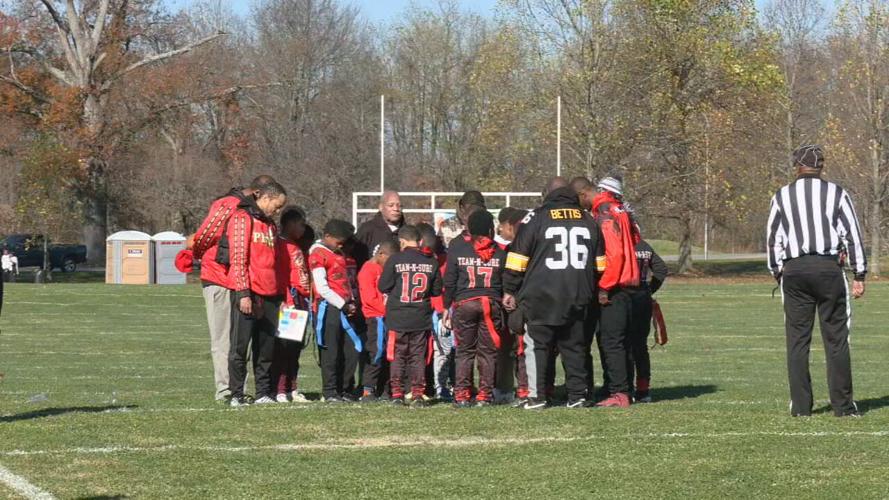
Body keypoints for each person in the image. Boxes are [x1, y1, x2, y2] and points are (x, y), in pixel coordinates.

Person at [767, 144, 867, 418]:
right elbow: (852, 235)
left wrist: (778, 272)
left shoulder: (782, 196)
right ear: (821, 166)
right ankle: (843, 407)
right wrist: (859, 274)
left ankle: (801, 407)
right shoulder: (837, 193)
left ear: (797, 166)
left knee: (797, 340)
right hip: (827, 268)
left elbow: (773, 239)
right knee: (836, 339)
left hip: (795, 270)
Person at [503, 179, 605, 409]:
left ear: (547, 194)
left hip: (541, 295)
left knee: (537, 347)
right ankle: (578, 396)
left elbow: (517, 259)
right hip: (578, 294)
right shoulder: (588, 219)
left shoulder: (535, 218)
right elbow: (600, 264)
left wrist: (510, 288)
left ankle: (537, 397)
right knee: (575, 346)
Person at [189, 174, 276, 402]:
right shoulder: (228, 204)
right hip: (219, 277)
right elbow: (204, 236)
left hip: (242, 280)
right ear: (258, 194)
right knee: (224, 337)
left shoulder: (259, 217)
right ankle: (227, 389)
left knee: (240, 338)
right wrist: (205, 257)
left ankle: (239, 388)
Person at [226, 181, 288, 407]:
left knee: (266, 348)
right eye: (277, 206)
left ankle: (263, 392)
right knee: (240, 347)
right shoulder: (242, 218)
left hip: (270, 293)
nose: (277, 211)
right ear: (265, 198)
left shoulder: (270, 224)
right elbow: (238, 257)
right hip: (249, 292)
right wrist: (243, 292)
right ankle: (236, 394)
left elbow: (276, 261)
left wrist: (281, 295)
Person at [443, 210, 507, 407]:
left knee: (464, 351)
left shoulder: (458, 248)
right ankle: (485, 395)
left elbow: (450, 280)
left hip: (465, 303)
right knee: (488, 352)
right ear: (490, 229)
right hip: (491, 303)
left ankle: (462, 395)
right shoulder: (500, 252)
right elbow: (506, 282)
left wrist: (446, 307)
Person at [378, 225, 443, 407]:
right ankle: (417, 394)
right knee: (417, 356)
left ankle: (397, 393)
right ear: (420, 241)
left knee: (397, 355)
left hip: (397, 316)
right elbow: (437, 290)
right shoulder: (431, 261)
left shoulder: (395, 259)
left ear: (402, 242)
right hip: (420, 316)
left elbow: (383, 286)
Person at [592, 175, 641, 408]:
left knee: (611, 342)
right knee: (622, 342)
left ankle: (619, 392)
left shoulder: (605, 211)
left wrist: (604, 285)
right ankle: (623, 388)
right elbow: (636, 240)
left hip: (615, 286)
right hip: (629, 285)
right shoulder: (624, 211)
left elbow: (615, 253)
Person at [309, 219, 363, 404]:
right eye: (339, 242)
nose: (341, 246)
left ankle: (345, 388)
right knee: (330, 350)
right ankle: (330, 391)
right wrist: (343, 304)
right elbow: (322, 288)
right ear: (327, 236)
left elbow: (346, 282)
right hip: (328, 308)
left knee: (350, 349)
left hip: (345, 307)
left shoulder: (338, 254)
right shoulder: (317, 254)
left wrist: (351, 302)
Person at [273, 206, 312, 404]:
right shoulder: (281, 244)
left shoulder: (296, 246)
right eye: (300, 224)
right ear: (289, 224)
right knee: (285, 348)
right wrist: (286, 299)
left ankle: (293, 388)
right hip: (290, 301)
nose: (303, 229)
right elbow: (281, 275)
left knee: (296, 348)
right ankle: (280, 389)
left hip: (302, 300)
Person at [492, 208, 531, 405]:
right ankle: (509, 388)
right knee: (513, 348)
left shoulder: (520, 248)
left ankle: (524, 389)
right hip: (513, 305)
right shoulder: (506, 249)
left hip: (521, 304)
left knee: (522, 348)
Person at [627, 236, 668, 403]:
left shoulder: (621, 243)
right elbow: (661, 269)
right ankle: (643, 390)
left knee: (622, 346)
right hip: (642, 298)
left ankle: (623, 389)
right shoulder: (644, 245)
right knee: (640, 347)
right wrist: (649, 289)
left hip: (624, 298)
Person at [357, 239, 398, 402]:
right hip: (375, 318)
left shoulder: (385, 268)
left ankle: (385, 389)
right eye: (390, 260)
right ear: (381, 254)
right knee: (376, 352)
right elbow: (370, 299)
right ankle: (368, 389)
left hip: (388, 318)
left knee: (389, 354)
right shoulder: (368, 270)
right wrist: (389, 310)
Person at [418, 222, 452, 401]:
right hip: (417, 310)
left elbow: (444, 288)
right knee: (417, 350)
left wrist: (443, 311)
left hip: (440, 311)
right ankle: (417, 386)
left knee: (443, 349)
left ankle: (442, 387)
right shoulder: (409, 259)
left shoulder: (444, 260)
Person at [355, 190, 404, 267]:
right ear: (381, 207)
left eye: (399, 205)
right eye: (391, 205)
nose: (396, 209)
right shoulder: (367, 229)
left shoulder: (407, 232)